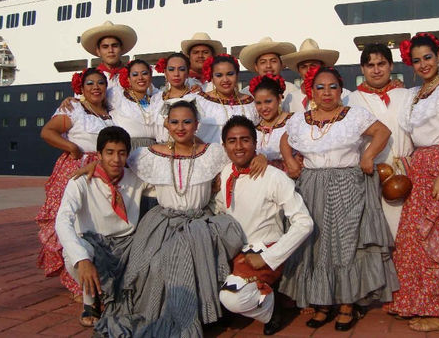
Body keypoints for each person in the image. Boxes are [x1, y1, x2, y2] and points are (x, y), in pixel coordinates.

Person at [94, 101, 250, 337]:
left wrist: (258, 158)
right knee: (154, 265)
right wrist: (93, 166)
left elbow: (241, 162)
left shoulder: (213, 153)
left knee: (185, 259)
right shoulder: (148, 155)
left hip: (199, 221)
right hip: (162, 222)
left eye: (187, 122)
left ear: (196, 125)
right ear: (166, 124)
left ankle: (197, 313)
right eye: (174, 122)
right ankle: (161, 313)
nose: (180, 127)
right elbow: (114, 163)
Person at [279, 66, 397, 331]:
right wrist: (289, 160)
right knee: (317, 243)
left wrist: (368, 156)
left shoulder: (353, 116)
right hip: (311, 185)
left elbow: (382, 132)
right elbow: (286, 139)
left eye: (332, 87)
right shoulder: (301, 119)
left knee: (346, 241)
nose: (327, 92)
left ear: (341, 91)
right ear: (311, 92)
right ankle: (322, 304)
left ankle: (347, 304)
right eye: (320, 87)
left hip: (346, 183)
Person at [388, 33, 439, 332]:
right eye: (417, 60)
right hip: (419, 167)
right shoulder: (414, 94)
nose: (423, 64)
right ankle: (417, 302)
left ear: (438, 56)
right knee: (413, 240)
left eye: (428, 57)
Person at [215, 116, 313, 335]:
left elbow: (304, 222)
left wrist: (268, 257)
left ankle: (270, 307)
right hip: (233, 250)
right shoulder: (226, 173)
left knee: (230, 298)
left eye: (245, 140)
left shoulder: (274, 176)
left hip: (262, 251)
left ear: (255, 142)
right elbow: (221, 208)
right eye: (232, 141)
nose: (239, 146)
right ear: (224, 146)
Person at [55, 126, 152, 326]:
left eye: (121, 153)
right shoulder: (80, 182)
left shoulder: (136, 179)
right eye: (109, 152)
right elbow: (62, 220)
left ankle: (111, 294)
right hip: (94, 242)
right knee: (76, 254)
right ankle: (90, 300)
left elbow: (166, 187)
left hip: (127, 244)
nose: (116, 160)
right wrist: (82, 260)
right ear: (98, 154)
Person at [36, 68, 114, 299]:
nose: (96, 87)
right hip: (77, 168)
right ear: (82, 87)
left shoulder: (110, 113)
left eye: (100, 83)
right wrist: (71, 147)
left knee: (93, 221)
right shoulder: (75, 108)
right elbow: (47, 132)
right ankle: (76, 283)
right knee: (70, 220)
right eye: (90, 83)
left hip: (102, 169)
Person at [346, 43, 413, 239]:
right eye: (370, 65)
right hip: (368, 175)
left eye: (381, 64)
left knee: (404, 233)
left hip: (404, 174)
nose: (376, 70)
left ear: (391, 66)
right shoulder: (350, 100)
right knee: (373, 234)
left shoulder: (407, 95)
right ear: (362, 69)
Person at [195, 53, 258, 143]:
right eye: (219, 75)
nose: (225, 80)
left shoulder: (251, 103)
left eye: (230, 74)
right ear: (212, 78)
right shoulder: (199, 101)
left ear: (237, 75)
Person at [280, 38, 343, 112]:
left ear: (322, 67)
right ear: (299, 71)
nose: (309, 70)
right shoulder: (291, 98)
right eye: (304, 67)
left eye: (313, 66)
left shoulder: (342, 94)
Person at [249, 74, 295, 171]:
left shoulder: (293, 122)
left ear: (279, 99)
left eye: (268, 101)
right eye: (258, 103)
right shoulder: (254, 128)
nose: (264, 108)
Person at [109, 60, 158, 149]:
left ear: (150, 77)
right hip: (127, 149)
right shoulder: (116, 96)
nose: (140, 78)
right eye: (135, 74)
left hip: (154, 149)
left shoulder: (157, 98)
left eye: (144, 73)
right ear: (128, 79)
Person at [238, 36, 299, 109]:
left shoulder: (293, 91)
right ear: (256, 67)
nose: (268, 66)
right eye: (263, 62)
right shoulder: (246, 93)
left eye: (273, 61)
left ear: (282, 64)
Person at [151, 52, 198, 142]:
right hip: (160, 149)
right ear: (165, 72)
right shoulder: (156, 98)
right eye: (171, 69)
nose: (176, 74)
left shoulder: (195, 98)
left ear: (188, 72)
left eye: (181, 69)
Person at [80, 21, 137, 92]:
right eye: (105, 47)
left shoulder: (135, 75)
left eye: (115, 46)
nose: (110, 50)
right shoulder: (89, 79)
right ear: (98, 51)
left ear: (121, 49)